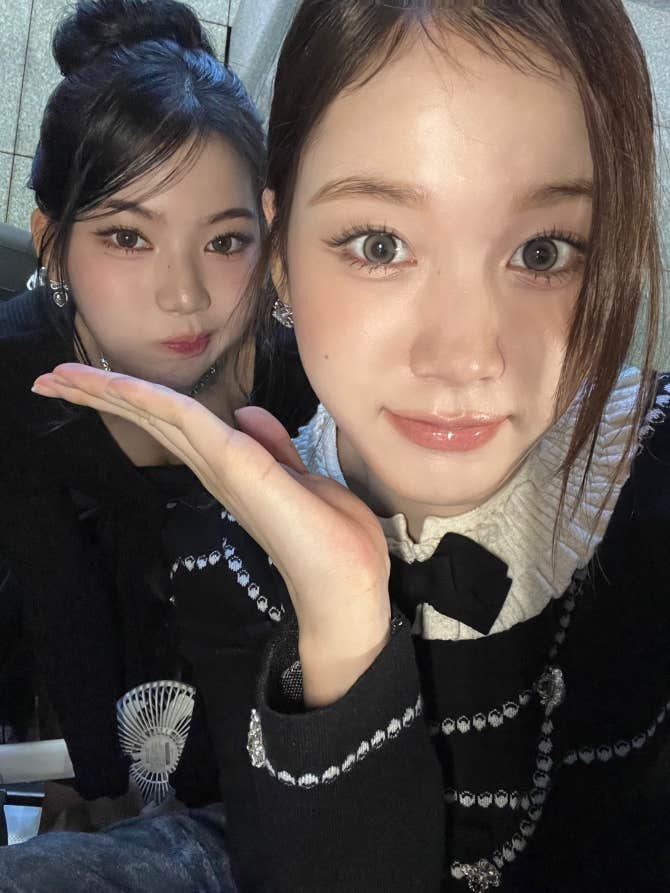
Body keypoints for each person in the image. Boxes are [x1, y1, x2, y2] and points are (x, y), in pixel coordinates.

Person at [13, 0, 670, 890]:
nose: (465, 355)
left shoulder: (645, 478)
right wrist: (338, 633)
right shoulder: (223, 554)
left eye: (544, 251)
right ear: (287, 253)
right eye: (381, 243)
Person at [0, 0, 313, 828]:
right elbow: (60, 600)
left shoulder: (300, 370)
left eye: (225, 241)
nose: (184, 295)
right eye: (128, 238)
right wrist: (105, 792)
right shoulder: (17, 369)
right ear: (53, 244)